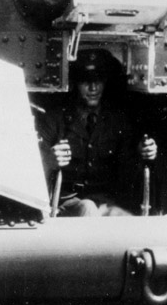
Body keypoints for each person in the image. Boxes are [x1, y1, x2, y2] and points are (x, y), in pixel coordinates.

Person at [35, 49, 157, 216]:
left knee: (129, 224)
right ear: (75, 83)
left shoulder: (117, 120)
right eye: (86, 81)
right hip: (67, 202)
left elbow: (126, 174)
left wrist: (142, 153)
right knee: (87, 209)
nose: (93, 88)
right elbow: (33, 171)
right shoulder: (54, 120)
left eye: (98, 80)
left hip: (105, 202)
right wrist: (50, 160)